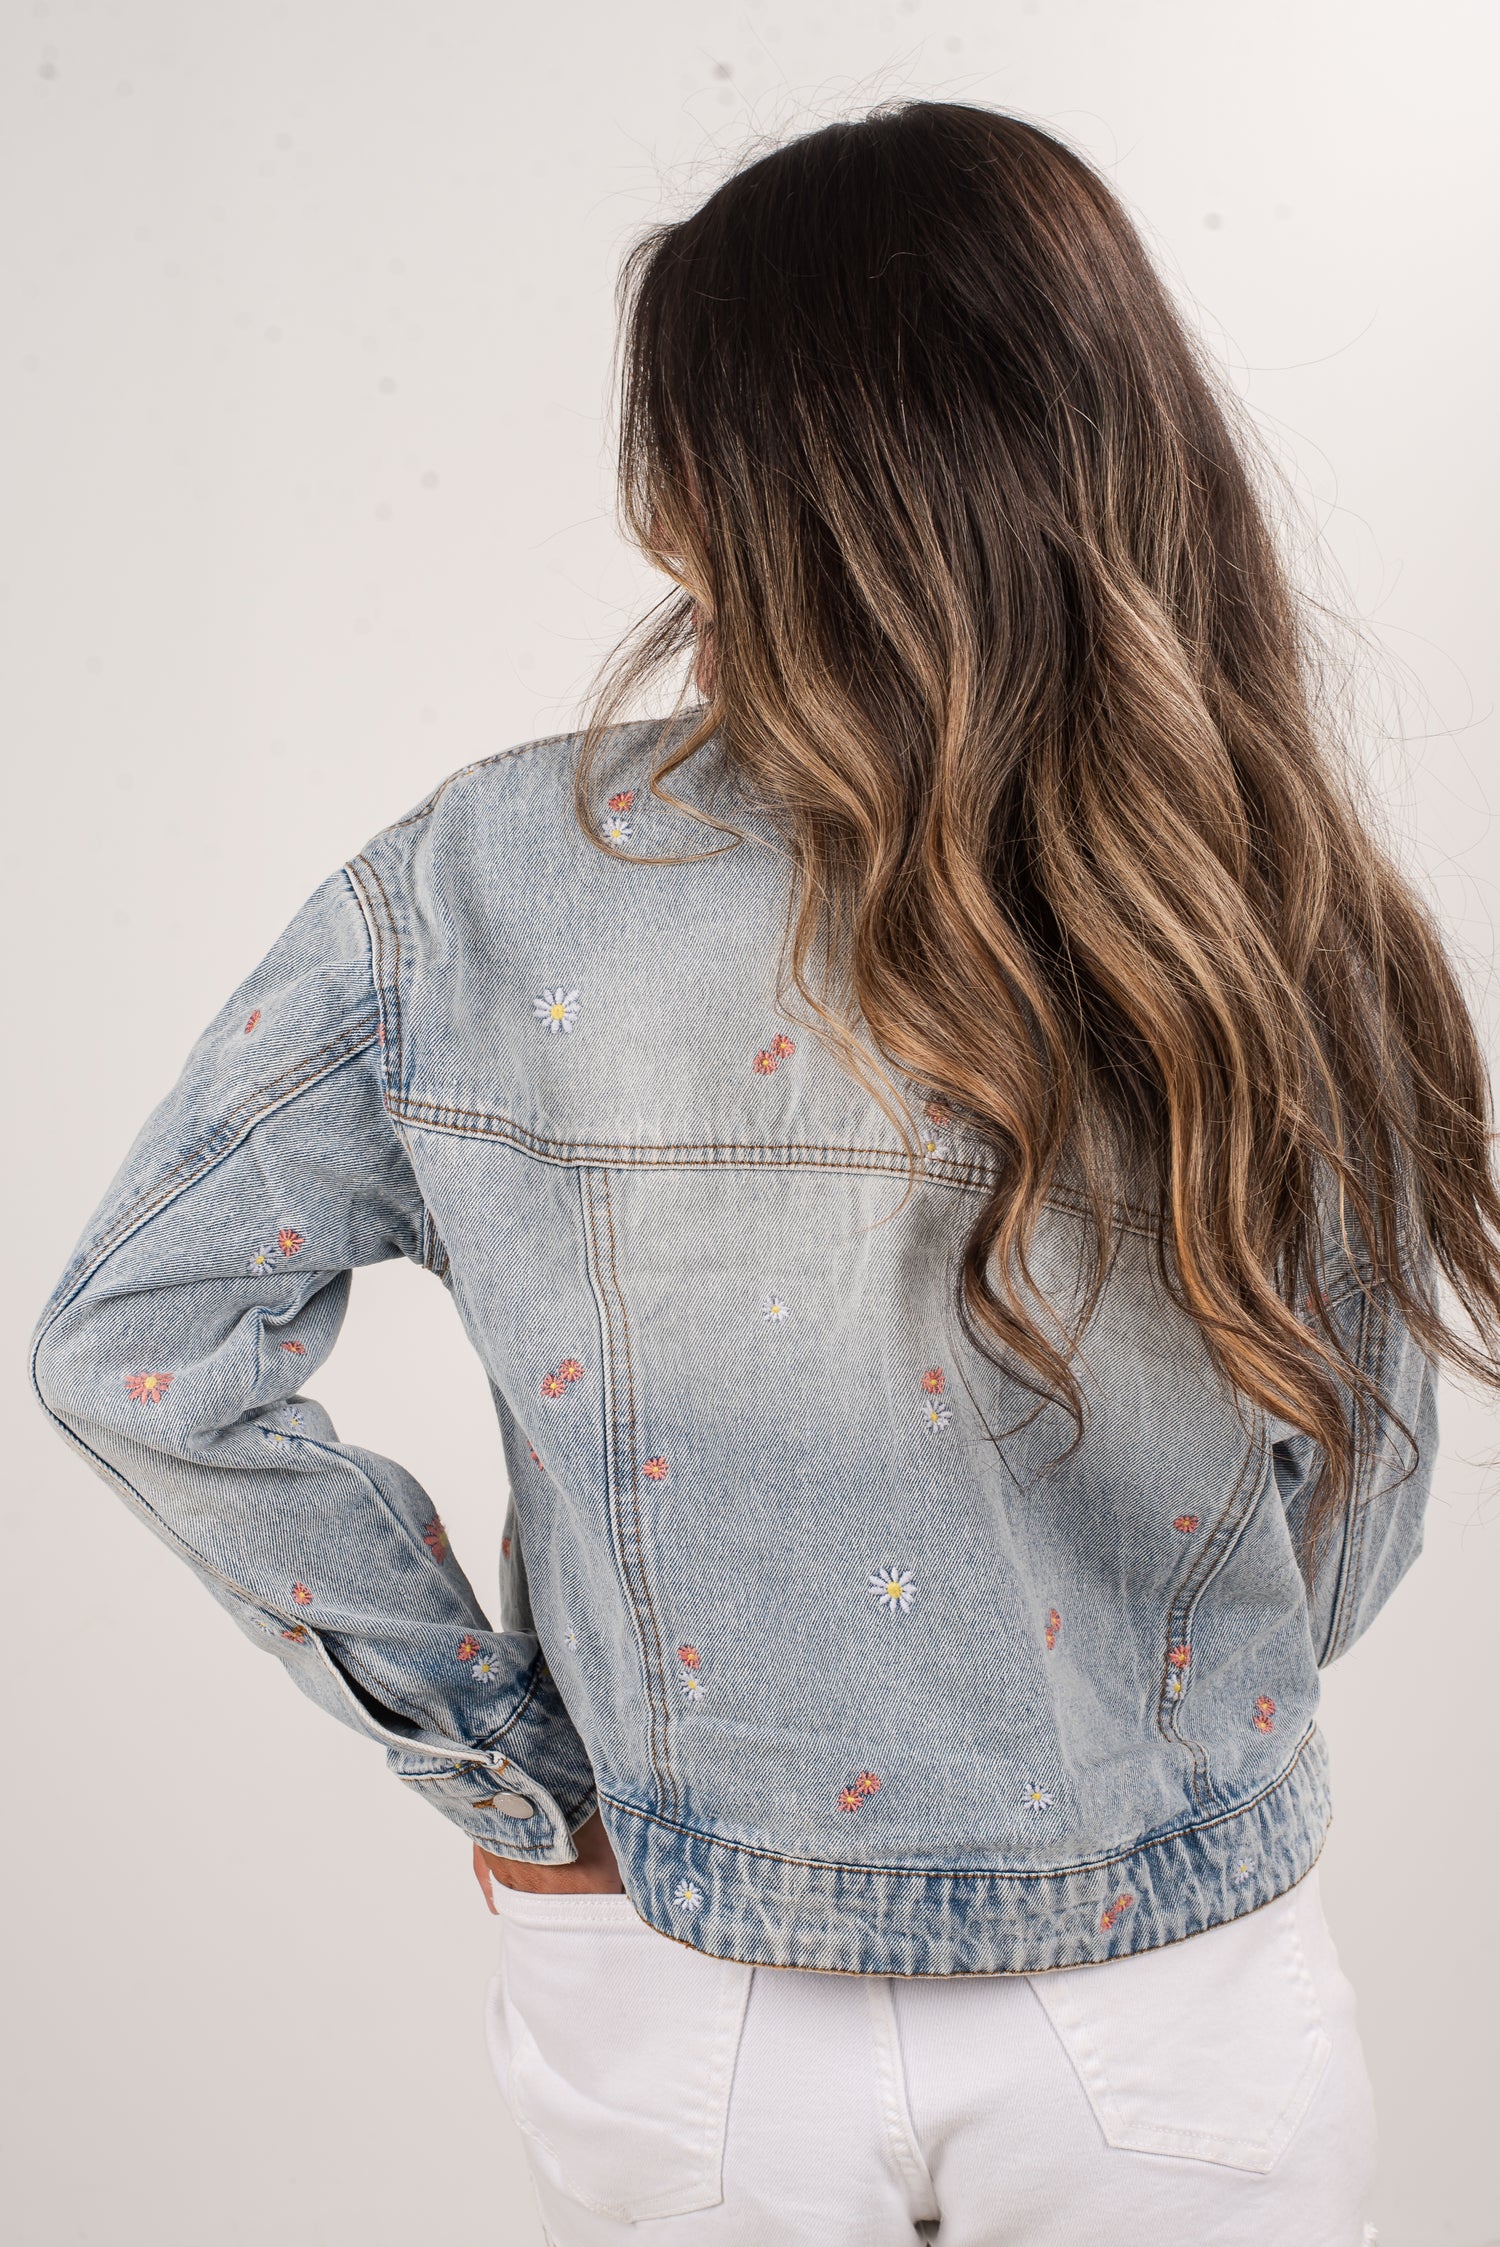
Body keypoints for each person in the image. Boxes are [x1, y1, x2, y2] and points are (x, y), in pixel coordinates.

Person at [30, 100, 1500, 2247]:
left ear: (729, 482)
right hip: (1172, 1999)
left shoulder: (486, 876)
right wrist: (1123, 1698)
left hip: (682, 2000)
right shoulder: (1260, 883)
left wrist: (505, 1766)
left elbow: (129, 1347)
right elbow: (1348, 1502)